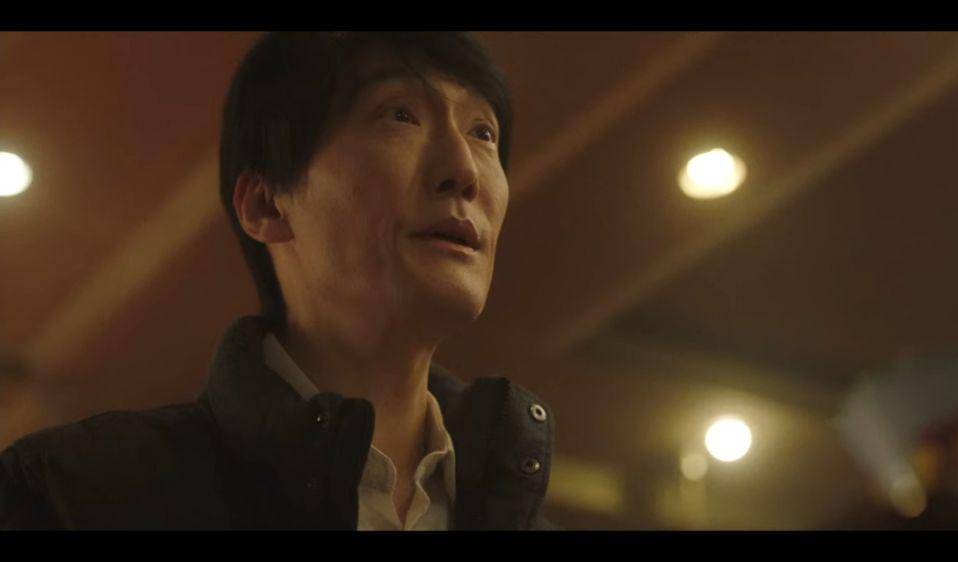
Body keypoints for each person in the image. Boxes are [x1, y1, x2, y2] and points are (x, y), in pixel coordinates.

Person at [0, 32, 554, 530]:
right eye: (400, 115)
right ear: (266, 204)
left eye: (483, 132)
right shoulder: (74, 496)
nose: (464, 170)